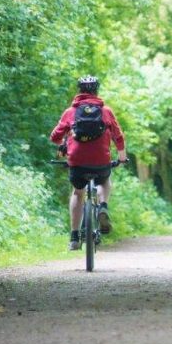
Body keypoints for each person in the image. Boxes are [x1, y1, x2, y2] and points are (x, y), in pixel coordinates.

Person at [50, 75, 127, 250]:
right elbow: (118, 136)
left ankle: (75, 237)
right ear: (96, 90)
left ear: (80, 91)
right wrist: (122, 157)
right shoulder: (106, 111)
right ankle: (103, 206)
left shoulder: (71, 112)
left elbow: (55, 136)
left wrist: (64, 144)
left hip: (77, 162)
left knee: (78, 192)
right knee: (105, 180)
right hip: (101, 161)